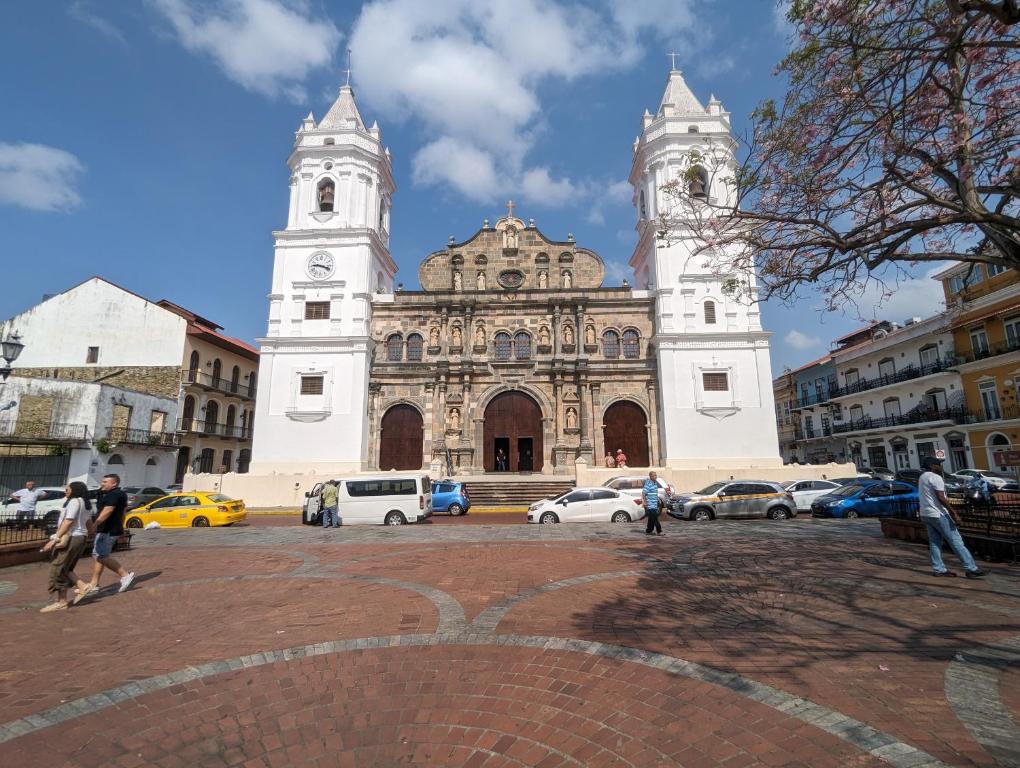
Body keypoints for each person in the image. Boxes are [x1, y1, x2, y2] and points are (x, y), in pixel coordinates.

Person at [917, 457, 984, 578]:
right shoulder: (935, 477)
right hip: (938, 514)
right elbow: (941, 497)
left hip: (925, 513)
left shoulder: (922, 477)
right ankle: (971, 568)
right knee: (956, 541)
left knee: (935, 542)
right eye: (938, 464)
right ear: (932, 465)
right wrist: (954, 513)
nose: (940, 466)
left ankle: (938, 569)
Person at [74, 474, 135, 603]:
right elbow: (123, 511)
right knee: (99, 555)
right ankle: (94, 583)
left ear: (114, 484)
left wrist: (95, 525)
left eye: (105, 482)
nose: (102, 484)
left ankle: (124, 575)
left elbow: (108, 510)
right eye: (102, 481)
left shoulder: (114, 495)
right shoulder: (115, 494)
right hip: (111, 529)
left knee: (101, 556)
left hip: (108, 529)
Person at [39, 482, 92, 612]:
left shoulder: (74, 501)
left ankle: (61, 601)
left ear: (75, 489)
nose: (65, 490)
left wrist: (54, 539)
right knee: (66, 568)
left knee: (58, 568)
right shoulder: (85, 503)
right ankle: (82, 586)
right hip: (81, 537)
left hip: (72, 537)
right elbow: (89, 523)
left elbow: (69, 521)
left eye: (68, 488)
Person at [643, 471, 663, 536]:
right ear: (650, 477)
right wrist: (645, 502)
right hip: (650, 504)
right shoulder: (648, 484)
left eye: (656, 475)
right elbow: (644, 493)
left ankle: (648, 530)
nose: (655, 476)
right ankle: (659, 531)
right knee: (655, 518)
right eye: (654, 475)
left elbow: (655, 493)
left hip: (654, 504)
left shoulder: (655, 483)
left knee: (651, 518)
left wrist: (657, 500)